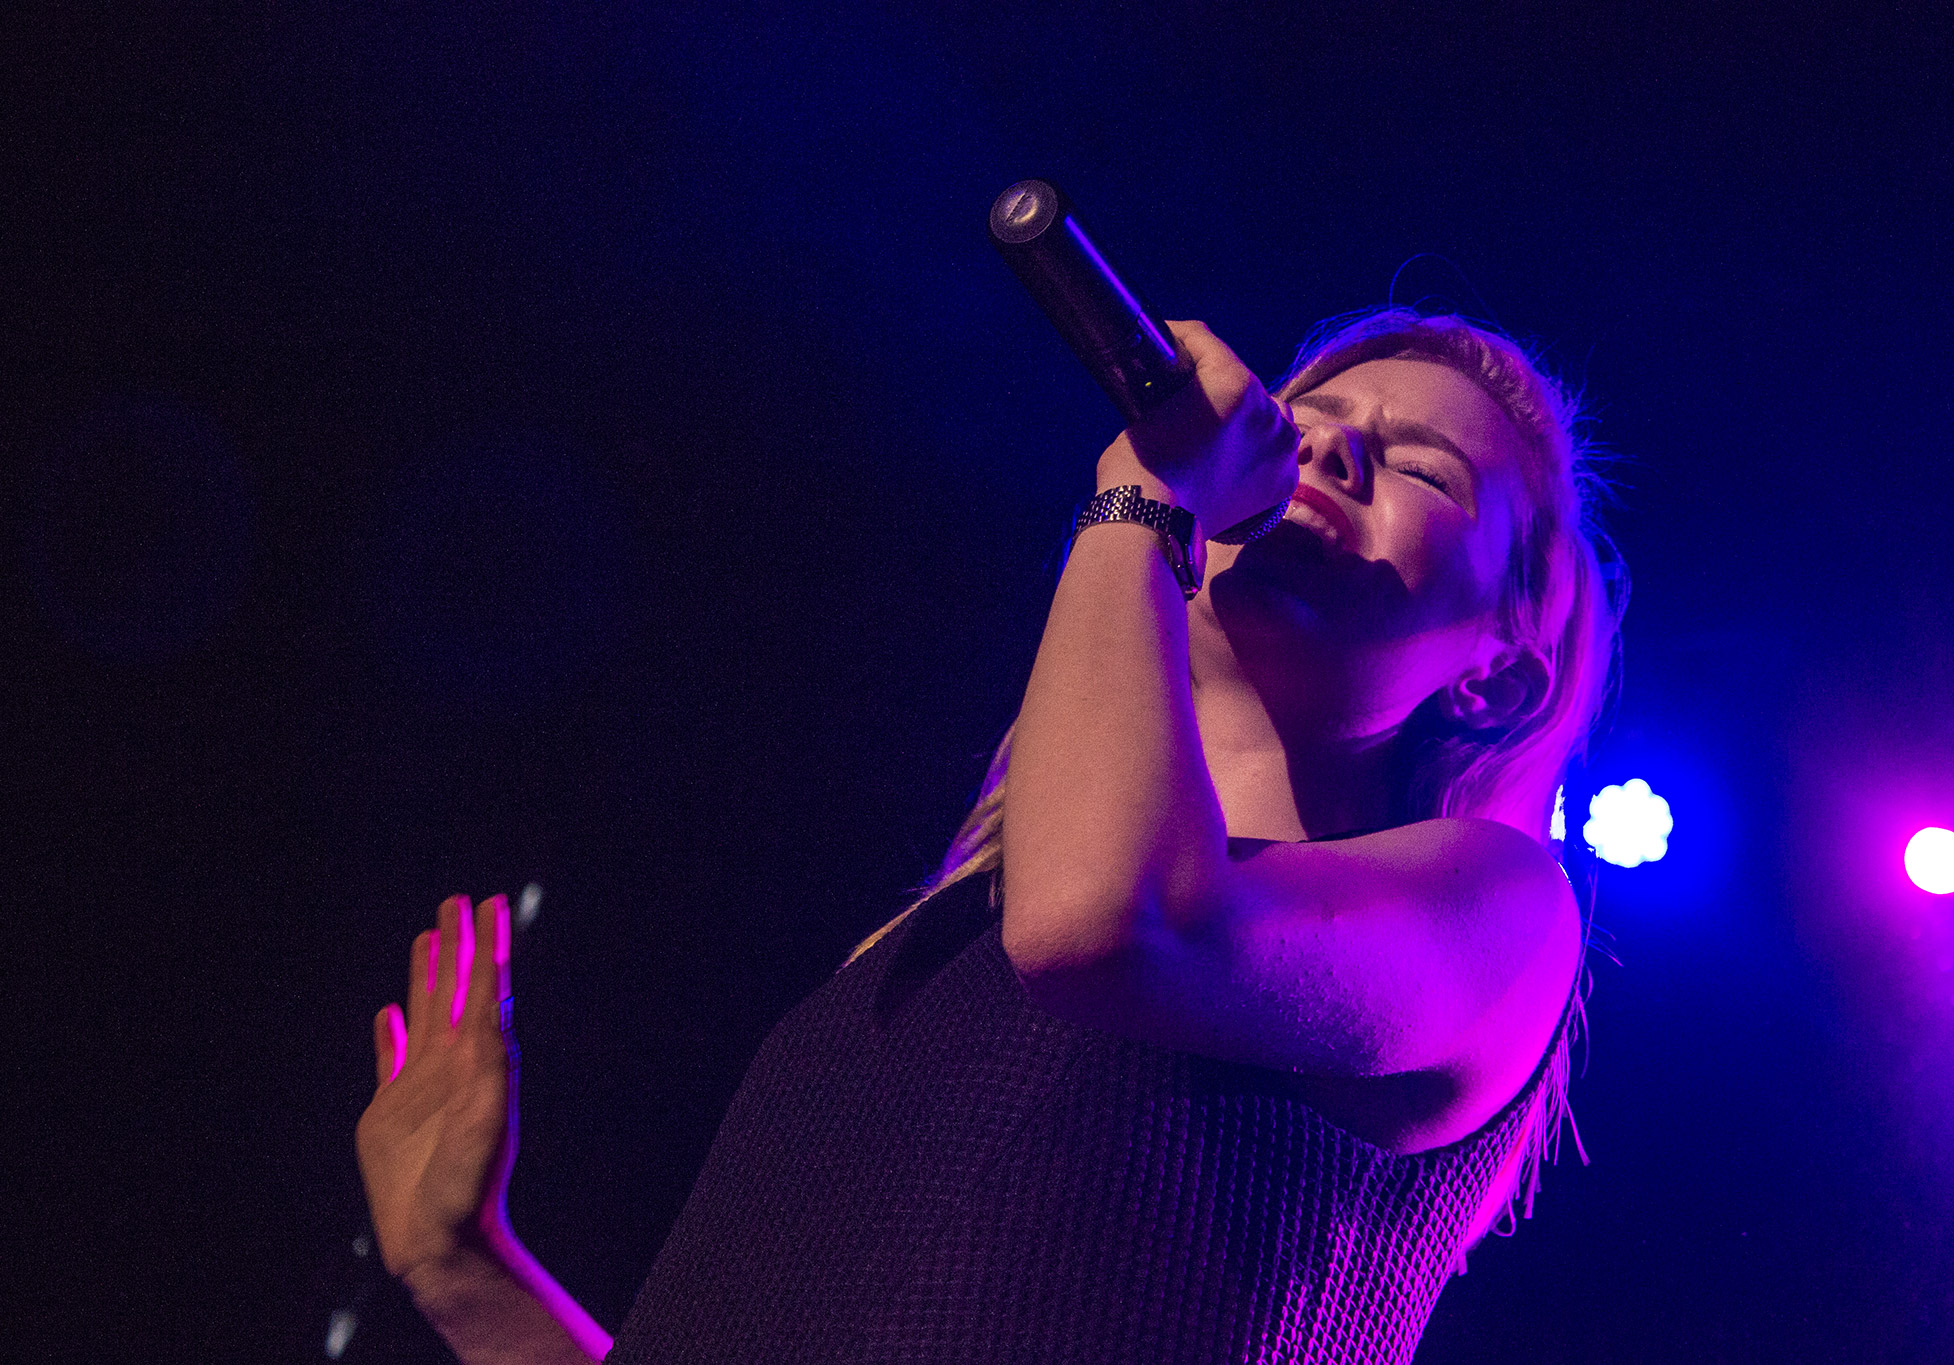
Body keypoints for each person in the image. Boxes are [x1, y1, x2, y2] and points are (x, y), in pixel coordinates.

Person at [355, 307, 1625, 1364]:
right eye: (1307, 420)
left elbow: (1105, 926)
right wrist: (471, 1278)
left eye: (1422, 471)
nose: (1329, 450)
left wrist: (1138, 501)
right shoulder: (928, 937)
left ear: (1495, 675)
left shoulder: (1499, 911)